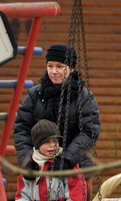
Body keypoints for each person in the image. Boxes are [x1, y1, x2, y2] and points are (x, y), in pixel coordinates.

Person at [13, 44, 100, 177]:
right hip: (39, 165)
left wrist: (67, 160)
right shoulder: (35, 94)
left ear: (71, 69)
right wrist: (27, 160)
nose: (53, 71)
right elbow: (22, 128)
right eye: (50, 66)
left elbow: (89, 131)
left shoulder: (84, 97)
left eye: (59, 66)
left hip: (76, 167)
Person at [15, 119, 87, 201]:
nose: (52, 145)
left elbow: (76, 194)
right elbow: (23, 196)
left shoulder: (66, 166)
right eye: (46, 142)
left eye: (55, 141)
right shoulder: (30, 167)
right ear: (37, 145)